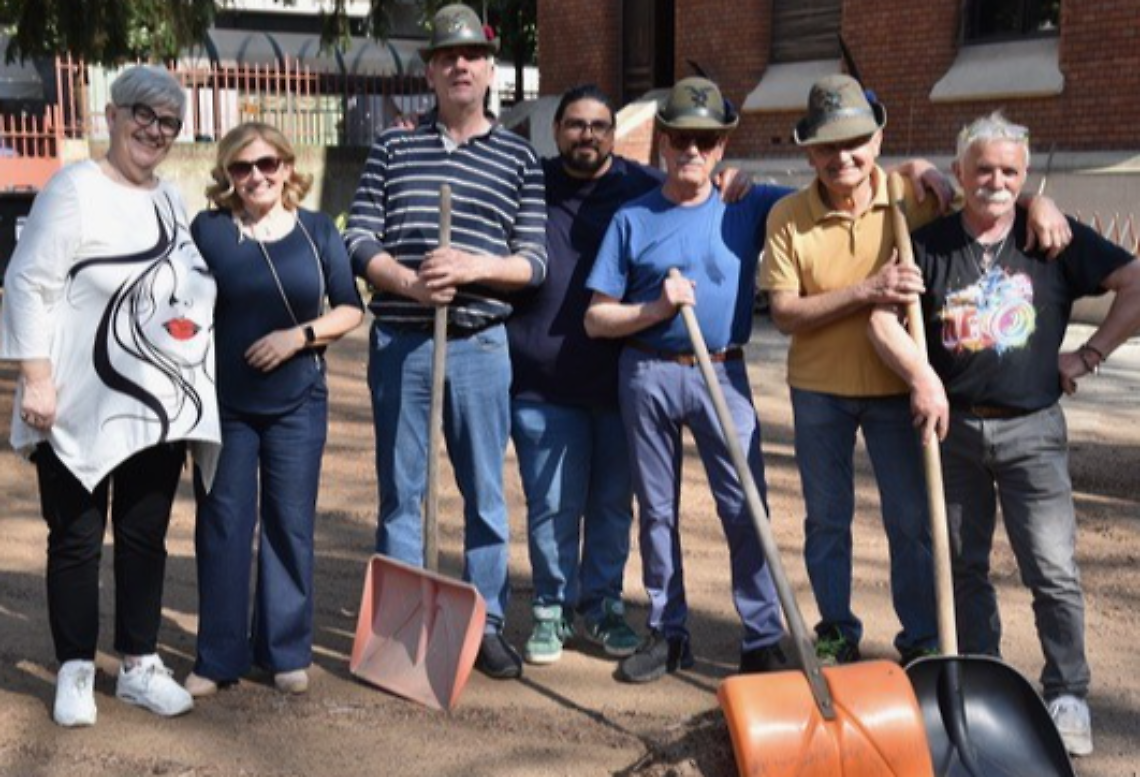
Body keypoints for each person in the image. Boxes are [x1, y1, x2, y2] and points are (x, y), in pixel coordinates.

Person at [760, 75, 1071, 666]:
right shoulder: (787, 217)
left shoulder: (915, 194)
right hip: (818, 393)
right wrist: (868, 290)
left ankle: (922, 639)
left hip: (896, 391)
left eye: (854, 142)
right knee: (828, 520)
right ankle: (835, 630)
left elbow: (990, 198)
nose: (842, 157)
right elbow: (785, 314)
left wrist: (1038, 201)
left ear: (877, 141)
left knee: (911, 521)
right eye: (827, 146)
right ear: (809, 153)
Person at [868, 111, 1140, 757]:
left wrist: (1091, 354)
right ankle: (983, 680)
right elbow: (881, 320)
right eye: (983, 168)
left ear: (1025, 176)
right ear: (959, 172)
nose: (996, 181)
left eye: (1010, 172)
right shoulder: (926, 245)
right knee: (962, 566)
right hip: (951, 432)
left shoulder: (1052, 238)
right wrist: (920, 374)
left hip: (1033, 431)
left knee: (1051, 567)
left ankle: (1067, 690)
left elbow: (1134, 282)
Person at [0, 65, 221, 727]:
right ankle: (73, 668)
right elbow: (26, 283)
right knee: (75, 536)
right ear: (112, 116)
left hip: (154, 403)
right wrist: (35, 377)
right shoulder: (74, 189)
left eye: (168, 122)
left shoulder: (172, 199)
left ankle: (138, 664)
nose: (154, 130)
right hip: (73, 398)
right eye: (143, 115)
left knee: (144, 535)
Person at [343, 3, 547, 680]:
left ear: (490, 69)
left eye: (472, 56)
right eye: (446, 57)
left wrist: (472, 268)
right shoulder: (394, 146)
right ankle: (401, 632)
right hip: (403, 343)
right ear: (430, 72)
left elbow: (533, 262)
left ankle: (483, 621)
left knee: (485, 490)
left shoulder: (520, 158)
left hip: (480, 346)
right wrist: (407, 281)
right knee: (403, 492)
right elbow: (359, 237)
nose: (461, 66)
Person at [584, 77, 794, 684]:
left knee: (745, 506)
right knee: (656, 510)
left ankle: (760, 637)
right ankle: (668, 632)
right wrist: (654, 308)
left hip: (722, 372)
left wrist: (916, 174)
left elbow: (831, 198)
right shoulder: (632, 219)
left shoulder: (748, 203)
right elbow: (598, 318)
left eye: (705, 140)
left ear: (722, 147)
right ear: (664, 145)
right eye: (680, 139)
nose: (692, 151)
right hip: (647, 371)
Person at [184, 123, 363, 698]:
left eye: (266, 164)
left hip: (299, 402)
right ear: (227, 176)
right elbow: (180, 307)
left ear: (287, 167)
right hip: (223, 405)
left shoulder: (315, 232)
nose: (255, 176)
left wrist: (297, 337)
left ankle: (284, 651)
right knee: (222, 528)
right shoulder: (208, 231)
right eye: (241, 168)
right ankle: (217, 656)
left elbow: (350, 309)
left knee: (290, 526)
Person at [507, 85, 662, 665]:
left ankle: (601, 606)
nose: (587, 135)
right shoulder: (530, 184)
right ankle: (551, 611)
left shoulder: (643, 188)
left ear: (613, 133)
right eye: (575, 124)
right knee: (551, 504)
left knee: (611, 505)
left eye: (599, 125)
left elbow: (707, 198)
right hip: (541, 381)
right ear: (557, 130)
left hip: (619, 380)